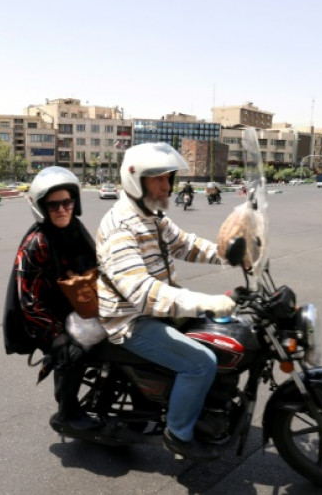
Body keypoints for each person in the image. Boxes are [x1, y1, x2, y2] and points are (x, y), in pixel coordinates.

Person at [96, 142, 236, 462]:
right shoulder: (120, 225)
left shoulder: (152, 215)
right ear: (136, 180)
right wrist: (204, 302)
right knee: (200, 362)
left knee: (225, 335)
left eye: (168, 177)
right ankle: (178, 435)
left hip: (155, 309)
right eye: (157, 178)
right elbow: (141, 291)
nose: (166, 185)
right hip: (130, 319)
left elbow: (186, 245)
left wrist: (233, 255)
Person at [13, 167, 99, 429]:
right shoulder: (36, 243)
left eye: (67, 202)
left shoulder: (76, 230)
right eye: (53, 205)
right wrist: (55, 334)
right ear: (41, 208)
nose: (62, 209)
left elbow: (98, 264)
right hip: (47, 319)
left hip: (81, 307)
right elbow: (28, 300)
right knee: (71, 352)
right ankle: (68, 412)